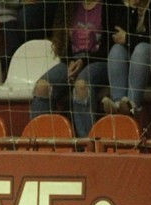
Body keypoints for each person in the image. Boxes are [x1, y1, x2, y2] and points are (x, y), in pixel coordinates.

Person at [30, 0, 114, 137]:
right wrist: (70, 61)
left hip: (100, 60)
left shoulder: (109, 5)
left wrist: (84, 61)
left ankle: (87, 144)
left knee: (81, 86)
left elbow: (111, 47)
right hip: (72, 61)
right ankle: (41, 142)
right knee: (42, 87)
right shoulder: (69, 6)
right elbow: (63, 45)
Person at [101, 0, 151, 116]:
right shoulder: (129, 7)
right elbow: (117, 36)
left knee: (142, 49)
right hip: (136, 68)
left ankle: (133, 105)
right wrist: (131, 9)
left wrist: (129, 38)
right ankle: (118, 104)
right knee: (117, 49)